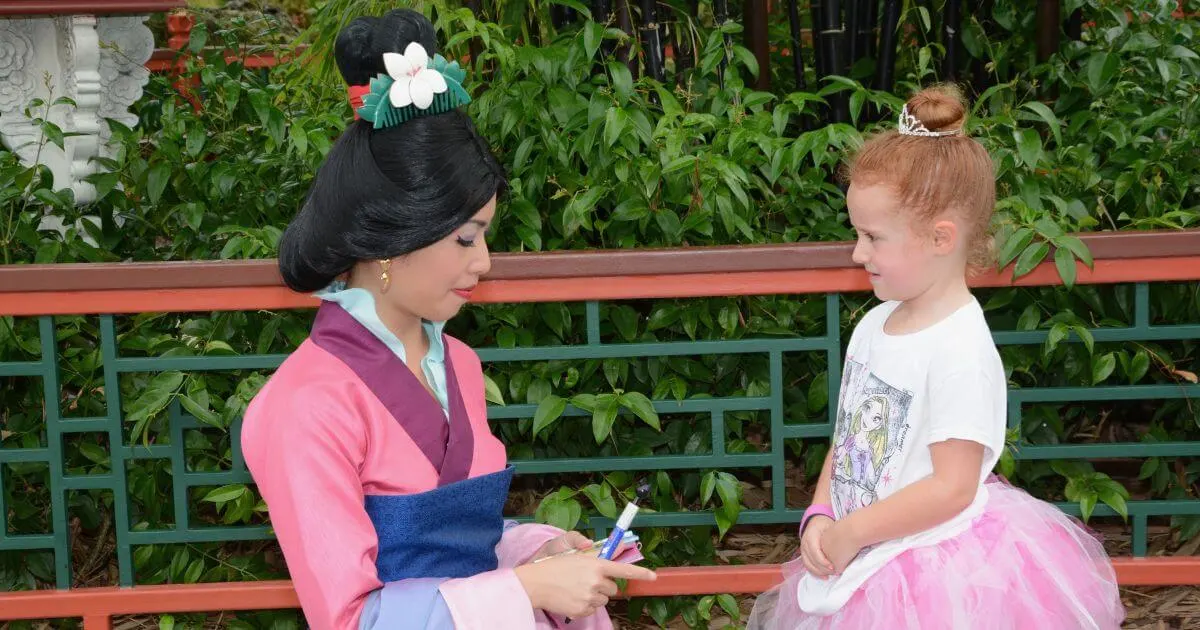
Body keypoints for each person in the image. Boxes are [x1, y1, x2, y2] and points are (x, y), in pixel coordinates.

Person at [241, 10, 655, 630]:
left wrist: (535, 551)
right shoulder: (304, 404)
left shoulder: (458, 362)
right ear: (390, 238)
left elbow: (466, 542)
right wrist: (524, 590)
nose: (484, 263)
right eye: (466, 238)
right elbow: (350, 618)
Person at [747, 85, 1125, 629]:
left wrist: (852, 531)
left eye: (873, 237)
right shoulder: (875, 323)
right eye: (857, 234)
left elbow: (952, 486)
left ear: (941, 237)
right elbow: (850, 437)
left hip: (936, 572)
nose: (858, 253)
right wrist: (822, 511)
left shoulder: (959, 349)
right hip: (862, 553)